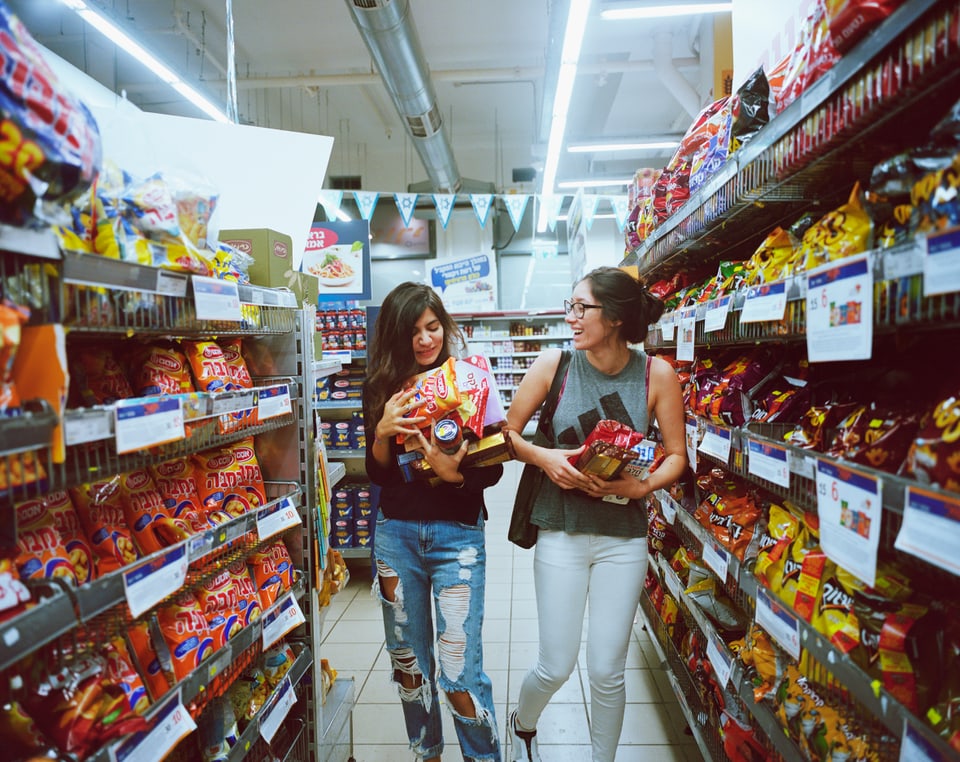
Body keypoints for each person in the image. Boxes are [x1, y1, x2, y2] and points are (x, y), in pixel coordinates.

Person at [504, 266, 687, 762]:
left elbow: (677, 455)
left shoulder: (656, 374)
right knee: (556, 664)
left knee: (608, 669)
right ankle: (523, 722)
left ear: (615, 317)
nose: (572, 317)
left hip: (622, 536)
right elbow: (507, 435)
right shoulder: (554, 364)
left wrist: (640, 485)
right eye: (571, 306)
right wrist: (547, 459)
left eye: (582, 308)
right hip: (561, 530)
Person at [363, 281, 504, 762]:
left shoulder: (471, 380)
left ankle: (484, 758)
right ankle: (428, 753)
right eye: (413, 332)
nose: (425, 340)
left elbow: (495, 467)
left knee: (459, 671)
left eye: (432, 327)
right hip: (395, 537)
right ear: (395, 336)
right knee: (409, 664)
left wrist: (453, 476)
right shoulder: (382, 388)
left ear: (444, 327)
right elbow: (378, 472)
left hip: (456, 537)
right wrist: (382, 433)